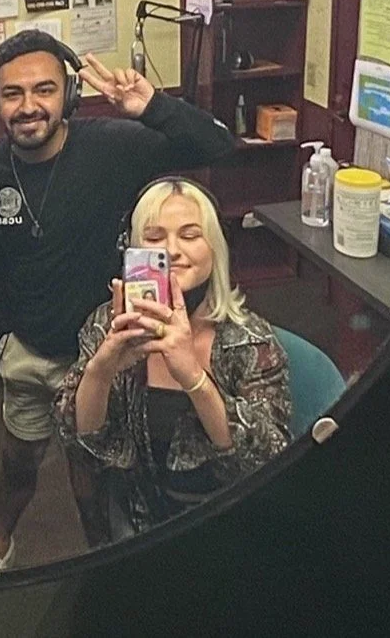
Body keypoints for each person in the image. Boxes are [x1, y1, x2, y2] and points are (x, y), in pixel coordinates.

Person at [0, 29, 234, 571]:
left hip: (103, 352)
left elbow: (218, 145)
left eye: (43, 90)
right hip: (30, 351)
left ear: (67, 95)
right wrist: (10, 328)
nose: (27, 107)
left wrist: (152, 106)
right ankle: (0, 541)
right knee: (17, 460)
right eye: (12, 94)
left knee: (92, 473)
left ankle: (100, 561)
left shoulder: (114, 144)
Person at [54, 177, 292, 537]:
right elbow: (83, 447)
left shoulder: (248, 340)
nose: (172, 251)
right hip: (142, 526)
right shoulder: (108, 324)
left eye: (190, 235)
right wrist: (101, 368)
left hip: (236, 525)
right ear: (132, 250)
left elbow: (267, 462)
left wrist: (194, 377)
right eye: (154, 238)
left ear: (215, 248)